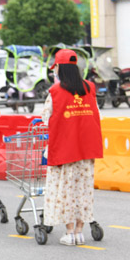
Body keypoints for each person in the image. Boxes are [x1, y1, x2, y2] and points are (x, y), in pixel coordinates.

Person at [42, 49, 103, 246]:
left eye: (56, 68)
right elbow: (96, 115)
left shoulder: (55, 92)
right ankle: (79, 232)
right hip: (86, 150)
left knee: (66, 192)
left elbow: (45, 118)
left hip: (65, 150)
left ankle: (69, 233)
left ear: (60, 68)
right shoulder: (90, 88)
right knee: (83, 191)